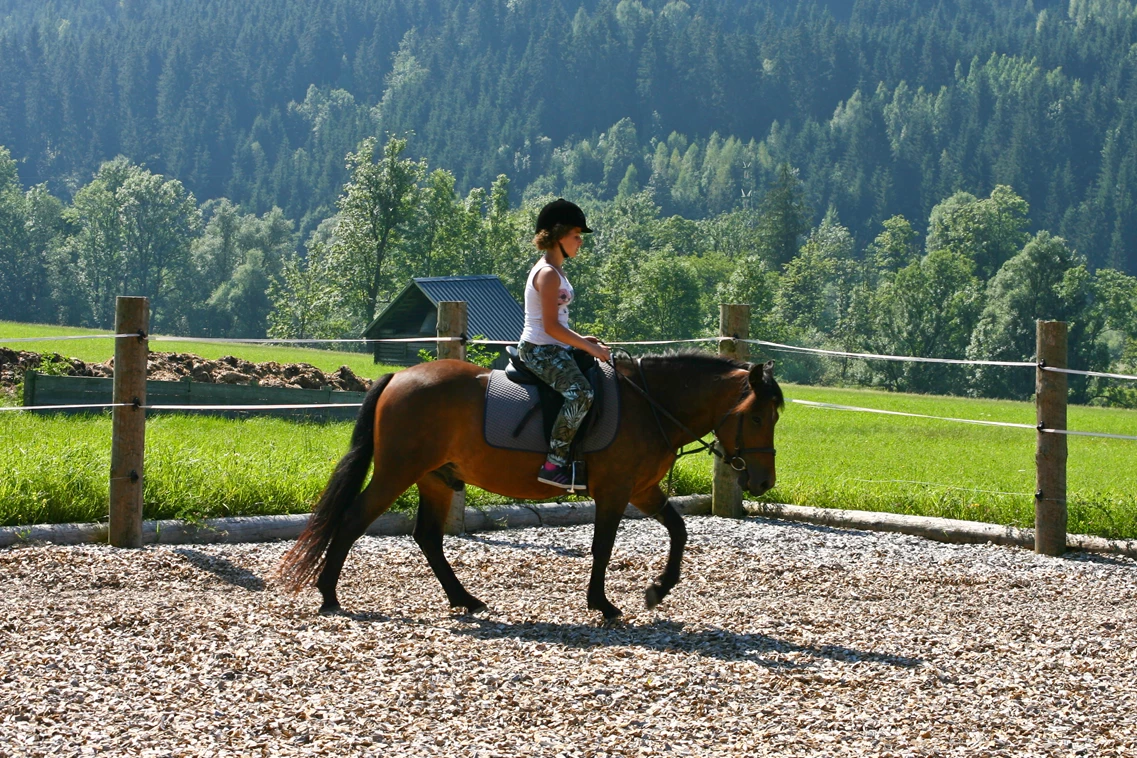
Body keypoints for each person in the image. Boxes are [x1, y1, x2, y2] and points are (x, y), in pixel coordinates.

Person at [518, 199, 611, 490]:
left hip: (554, 348)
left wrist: (582, 340)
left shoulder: (556, 270)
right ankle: (554, 463)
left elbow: (559, 324)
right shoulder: (546, 274)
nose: (580, 242)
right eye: (576, 235)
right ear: (559, 236)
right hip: (539, 351)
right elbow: (550, 326)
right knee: (581, 393)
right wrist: (589, 348)